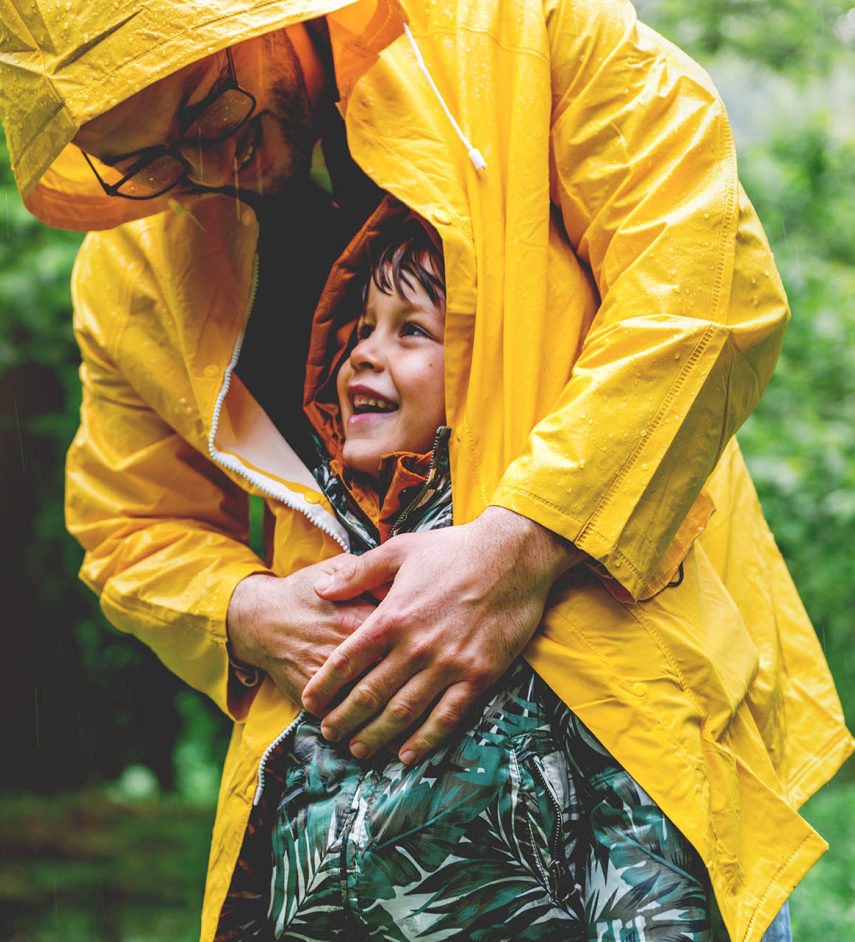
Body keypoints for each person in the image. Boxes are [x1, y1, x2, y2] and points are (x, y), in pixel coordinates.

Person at [0, 1, 853, 940]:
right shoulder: (132, 274)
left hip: (633, 778)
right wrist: (243, 612)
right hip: (339, 844)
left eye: (206, 112)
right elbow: (128, 526)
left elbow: (703, 283)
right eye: (143, 162)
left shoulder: (519, 30)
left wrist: (524, 546)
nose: (203, 168)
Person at [225, 197, 724, 940]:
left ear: (486, 371)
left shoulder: (553, 581)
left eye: (412, 331)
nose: (362, 352)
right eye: (360, 329)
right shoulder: (320, 564)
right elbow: (271, 834)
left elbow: (645, 840)